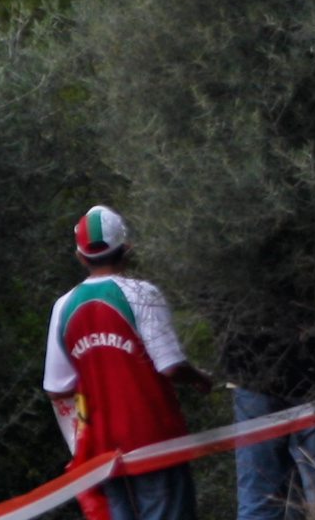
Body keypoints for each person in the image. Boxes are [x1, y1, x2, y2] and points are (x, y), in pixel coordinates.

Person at [46, 208, 216, 520]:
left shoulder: (63, 307)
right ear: (126, 249)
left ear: (80, 257)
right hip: (155, 440)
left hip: (103, 450)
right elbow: (170, 366)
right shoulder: (142, 294)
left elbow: (57, 388)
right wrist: (199, 377)